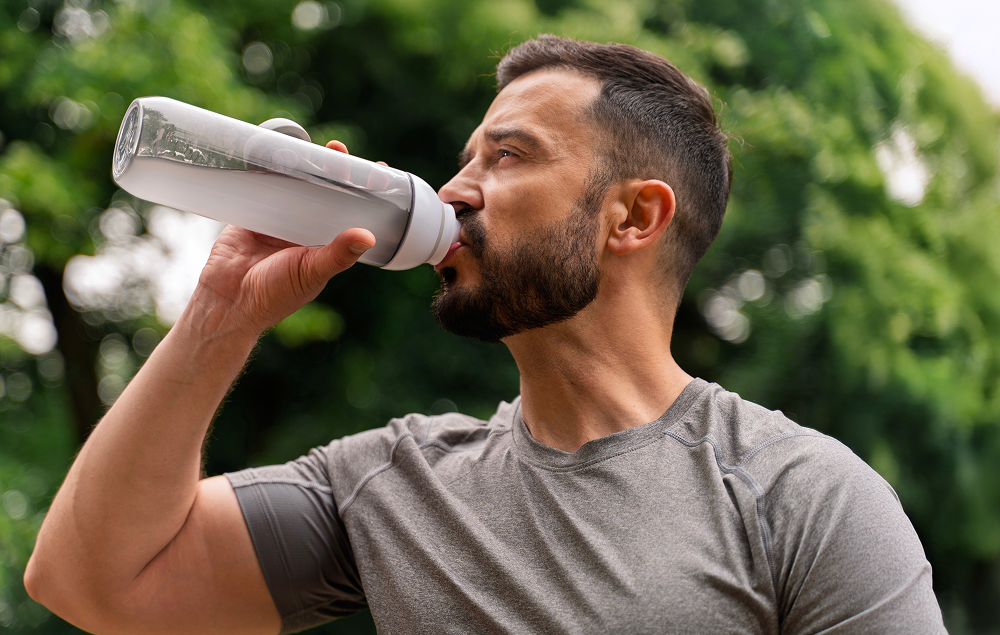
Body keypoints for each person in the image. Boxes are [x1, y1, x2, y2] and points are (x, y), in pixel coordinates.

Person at [26, 35, 946, 634]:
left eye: (506, 155)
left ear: (634, 216)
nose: (454, 188)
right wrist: (218, 317)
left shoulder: (800, 497)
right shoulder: (394, 485)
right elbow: (93, 581)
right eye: (465, 158)